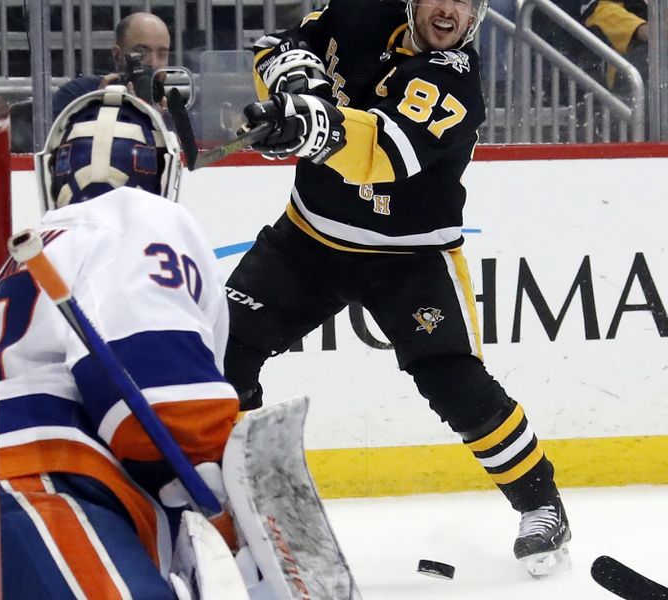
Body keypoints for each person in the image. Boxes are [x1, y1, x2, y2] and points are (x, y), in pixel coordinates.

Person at [223, 0, 572, 575]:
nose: (450, 10)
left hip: (408, 258)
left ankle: (541, 504)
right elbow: (275, 46)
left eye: (467, 1)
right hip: (308, 239)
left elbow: (379, 154)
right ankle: (236, 491)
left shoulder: (454, 80)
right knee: (226, 347)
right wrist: (294, 78)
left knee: (457, 384)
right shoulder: (359, 12)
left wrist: (312, 123)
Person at [0, 87, 239, 597]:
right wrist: (224, 499)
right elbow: (162, 400)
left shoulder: (25, 256)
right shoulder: (142, 216)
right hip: (38, 495)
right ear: (162, 172)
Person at [52, 11, 171, 118]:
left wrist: (162, 122)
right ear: (117, 55)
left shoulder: (175, 110)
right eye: (140, 52)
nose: (153, 63)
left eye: (162, 54)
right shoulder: (79, 95)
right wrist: (97, 110)